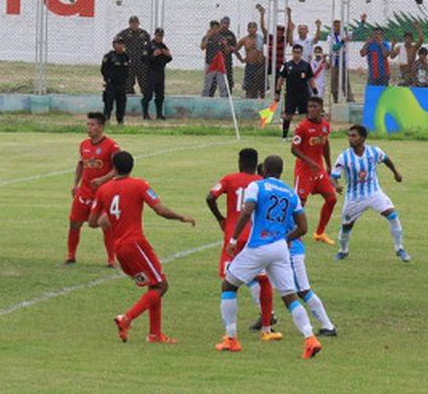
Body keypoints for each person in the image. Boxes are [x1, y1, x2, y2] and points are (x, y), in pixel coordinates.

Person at [216, 155, 323, 359]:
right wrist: (284, 238)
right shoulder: (291, 193)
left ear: (263, 169)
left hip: (258, 245)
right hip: (280, 248)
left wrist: (233, 239)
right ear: (281, 171)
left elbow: (247, 211)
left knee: (228, 286)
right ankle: (310, 338)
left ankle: (231, 338)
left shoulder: (257, 186)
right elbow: (303, 228)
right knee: (289, 296)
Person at [88, 151, 196, 344]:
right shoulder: (139, 185)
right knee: (162, 285)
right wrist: (181, 217)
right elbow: (160, 209)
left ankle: (155, 335)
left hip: (119, 249)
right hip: (135, 244)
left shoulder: (103, 190)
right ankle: (126, 318)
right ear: (132, 166)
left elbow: (92, 222)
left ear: (114, 168)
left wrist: (108, 220)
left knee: (154, 285)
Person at [205, 148, 279, 339]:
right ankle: (266, 324)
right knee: (262, 279)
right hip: (256, 237)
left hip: (234, 237)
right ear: (256, 164)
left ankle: (230, 333)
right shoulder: (261, 183)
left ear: (239, 162)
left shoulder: (229, 179)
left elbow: (210, 197)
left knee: (230, 283)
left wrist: (221, 218)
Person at [331, 125, 410, 262]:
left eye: (354, 136)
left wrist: (396, 173)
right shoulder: (344, 157)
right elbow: (333, 176)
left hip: (374, 193)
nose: (350, 138)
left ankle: (399, 248)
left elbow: (386, 159)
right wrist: (336, 186)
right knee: (346, 226)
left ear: (363, 138)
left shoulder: (374, 151)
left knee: (392, 215)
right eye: (349, 135)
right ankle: (343, 250)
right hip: (354, 198)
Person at [66, 112, 120, 266]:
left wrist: (102, 180)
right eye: (88, 124)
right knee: (74, 223)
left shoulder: (112, 146)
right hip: (84, 192)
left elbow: (118, 168)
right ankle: (71, 255)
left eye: (92, 125)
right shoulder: (84, 144)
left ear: (101, 127)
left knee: (104, 223)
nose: (89, 128)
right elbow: (81, 165)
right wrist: (75, 184)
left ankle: (111, 259)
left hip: (104, 193)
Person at [292, 96, 338, 245]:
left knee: (332, 199)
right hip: (304, 172)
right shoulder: (302, 127)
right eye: (309, 106)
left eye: (314, 107)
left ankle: (319, 233)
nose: (311, 110)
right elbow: (294, 149)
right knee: (299, 204)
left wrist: (329, 165)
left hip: (319, 171)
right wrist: (309, 162)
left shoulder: (325, 126)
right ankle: (293, 233)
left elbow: (325, 144)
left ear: (321, 108)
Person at [275, 44, 317, 140]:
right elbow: (280, 79)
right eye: (294, 52)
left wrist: (315, 91)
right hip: (291, 94)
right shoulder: (286, 65)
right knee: (288, 115)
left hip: (303, 94)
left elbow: (311, 79)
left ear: (301, 53)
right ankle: (284, 136)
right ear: (292, 53)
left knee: (307, 115)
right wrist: (277, 92)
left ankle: (307, 135)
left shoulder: (306, 65)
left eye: (298, 52)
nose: (296, 54)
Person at [112, 15, 150, 95]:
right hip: (129, 61)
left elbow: (149, 46)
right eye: (132, 23)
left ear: (138, 23)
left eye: (135, 23)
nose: (134, 25)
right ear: (129, 24)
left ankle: (146, 100)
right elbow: (115, 42)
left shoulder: (144, 33)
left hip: (141, 62)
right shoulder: (124, 33)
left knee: (144, 83)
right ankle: (130, 100)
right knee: (128, 83)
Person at [238, 5, 268, 99]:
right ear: (247, 29)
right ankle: (248, 105)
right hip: (250, 65)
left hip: (260, 65)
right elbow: (235, 50)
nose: (252, 29)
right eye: (250, 27)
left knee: (261, 88)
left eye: (254, 27)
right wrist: (242, 59)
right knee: (249, 88)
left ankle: (262, 106)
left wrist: (262, 15)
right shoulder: (244, 39)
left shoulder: (260, 38)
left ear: (256, 29)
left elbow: (264, 30)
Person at [141, 27, 171, 120]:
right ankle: (145, 114)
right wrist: (153, 55)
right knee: (148, 94)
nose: (160, 38)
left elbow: (168, 59)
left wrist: (168, 55)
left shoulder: (163, 46)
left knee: (160, 95)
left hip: (160, 72)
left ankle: (159, 114)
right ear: (155, 35)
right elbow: (144, 59)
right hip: (151, 72)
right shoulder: (149, 45)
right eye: (158, 35)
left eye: (161, 36)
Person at [101, 38, 130, 125]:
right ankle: (106, 119)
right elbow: (103, 69)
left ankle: (120, 121)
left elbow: (128, 70)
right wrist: (108, 79)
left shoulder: (126, 56)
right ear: (114, 45)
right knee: (108, 102)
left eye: (121, 44)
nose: (120, 46)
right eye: (118, 44)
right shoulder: (109, 56)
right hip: (111, 84)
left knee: (121, 103)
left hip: (122, 84)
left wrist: (125, 79)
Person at [326, 18, 356, 102]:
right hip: (335, 62)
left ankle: (350, 101)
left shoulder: (345, 33)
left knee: (346, 83)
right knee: (334, 85)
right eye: (335, 26)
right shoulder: (330, 36)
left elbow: (356, 33)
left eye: (339, 26)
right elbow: (334, 48)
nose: (337, 28)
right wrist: (342, 41)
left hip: (343, 61)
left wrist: (362, 22)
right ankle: (336, 101)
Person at [201, 20, 229, 98]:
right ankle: (204, 99)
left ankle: (224, 99)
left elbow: (226, 51)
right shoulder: (206, 37)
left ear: (218, 28)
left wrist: (225, 44)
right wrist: (207, 37)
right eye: (213, 28)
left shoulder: (221, 38)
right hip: (210, 63)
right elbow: (202, 47)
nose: (215, 30)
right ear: (210, 28)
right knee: (207, 84)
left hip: (219, 65)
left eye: (216, 28)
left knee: (222, 84)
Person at [217, 17, 238, 93]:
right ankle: (210, 95)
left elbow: (234, 47)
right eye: (224, 23)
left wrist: (229, 47)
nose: (225, 25)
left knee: (228, 78)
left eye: (227, 23)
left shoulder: (231, 34)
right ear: (220, 23)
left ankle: (229, 93)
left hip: (227, 59)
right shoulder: (216, 33)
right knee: (214, 79)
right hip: (216, 60)